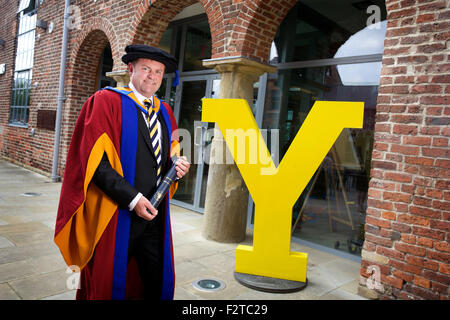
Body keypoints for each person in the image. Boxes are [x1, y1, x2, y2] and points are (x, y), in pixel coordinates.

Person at [54, 44, 190, 300]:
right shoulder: (106, 102)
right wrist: (133, 199)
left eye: (158, 72)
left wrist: (178, 166)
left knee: (154, 279)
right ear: (130, 69)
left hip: (155, 215)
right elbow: (94, 163)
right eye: (146, 69)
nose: (152, 76)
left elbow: (170, 154)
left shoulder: (164, 111)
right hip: (116, 213)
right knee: (109, 283)